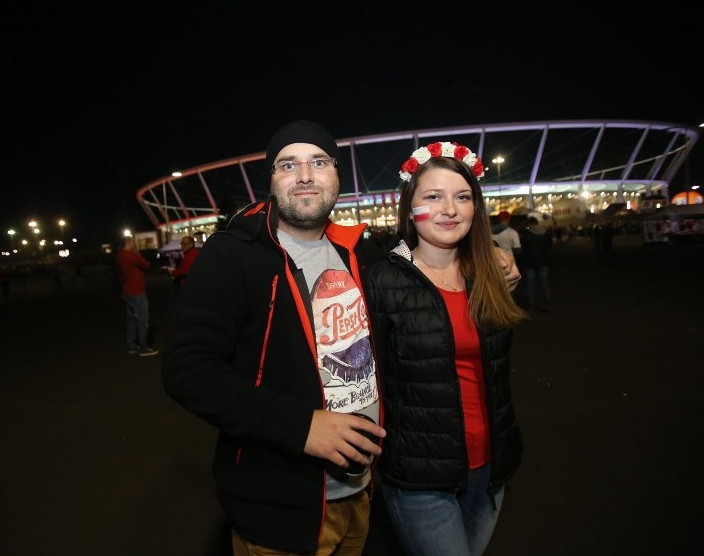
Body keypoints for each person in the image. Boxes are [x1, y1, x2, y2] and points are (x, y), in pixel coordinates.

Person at [162, 121, 522, 556]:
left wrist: (490, 254)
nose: (305, 175)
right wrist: (301, 426)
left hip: (361, 489)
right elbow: (187, 369)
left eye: (318, 162)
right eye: (287, 165)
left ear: (337, 174)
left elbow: (425, 258)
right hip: (283, 503)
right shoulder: (232, 255)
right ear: (271, 180)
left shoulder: (361, 254)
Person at [364, 141, 527, 556]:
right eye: (432, 197)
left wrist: (497, 256)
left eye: (462, 197)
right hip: (421, 479)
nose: (449, 209)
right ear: (409, 207)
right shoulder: (379, 282)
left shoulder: (490, 275)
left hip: (491, 470)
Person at [115, 236, 158, 357]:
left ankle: (132, 345)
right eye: (133, 242)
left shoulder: (120, 257)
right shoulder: (131, 255)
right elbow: (146, 265)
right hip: (137, 291)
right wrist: (137, 253)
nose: (134, 244)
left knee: (132, 319)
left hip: (126, 291)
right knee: (142, 319)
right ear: (128, 242)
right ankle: (144, 347)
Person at [519, 216, 553, 312]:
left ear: (530, 224)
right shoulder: (546, 233)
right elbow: (550, 246)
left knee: (530, 285)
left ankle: (530, 306)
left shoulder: (527, 234)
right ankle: (548, 304)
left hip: (530, 262)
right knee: (545, 284)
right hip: (543, 262)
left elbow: (523, 249)